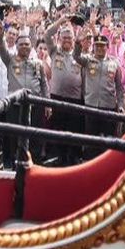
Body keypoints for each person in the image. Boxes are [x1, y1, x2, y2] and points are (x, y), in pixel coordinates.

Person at [0, 23, 48, 168]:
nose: (24, 46)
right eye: (21, 44)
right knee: (15, 137)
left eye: (27, 44)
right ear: (17, 46)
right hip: (15, 106)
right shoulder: (10, 59)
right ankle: (16, 165)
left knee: (34, 136)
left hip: (35, 105)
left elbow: (44, 84)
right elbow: (1, 46)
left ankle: (34, 165)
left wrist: (48, 104)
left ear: (31, 47)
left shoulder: (37, 63)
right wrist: (0, 34)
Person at [44, 15, 85, 165]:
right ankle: (60, 156)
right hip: (57, 97)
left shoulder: (79, 56)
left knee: (73, 129)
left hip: (75, 98)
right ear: (59, 39)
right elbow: (47, 34)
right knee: (59, 128)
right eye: (64, 37)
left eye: (69, 37)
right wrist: (60, 21)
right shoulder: (54, 52)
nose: (67, 39)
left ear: (74, 40)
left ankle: (73, 157)